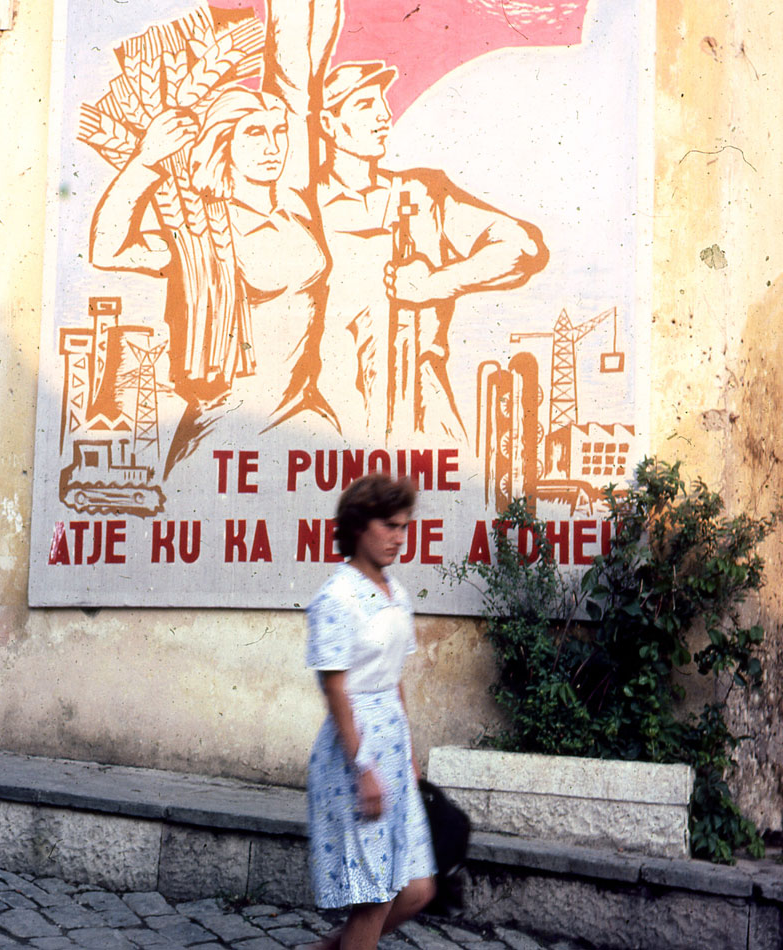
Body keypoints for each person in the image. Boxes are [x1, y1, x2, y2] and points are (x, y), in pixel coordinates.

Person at [88, 0, 341, 473]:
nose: (272, 146)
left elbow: (296, 80)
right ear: (223, 142)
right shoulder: (201, 231)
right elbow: (107, 250)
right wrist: (145, 162)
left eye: (278, 132)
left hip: (306, 418)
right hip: (226, 432)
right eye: (255, 134)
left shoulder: (294, 202)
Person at [315, 62, 549, 443]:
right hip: (331, 417)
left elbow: (524, 248)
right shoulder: (302, 205)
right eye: (364, 105)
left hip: (424, 412)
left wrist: (436, 284)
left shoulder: (422, 193)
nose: (383, 115)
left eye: (382, 101)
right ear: (329, 123)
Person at [305, 474, 437, 949]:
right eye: (389, 526)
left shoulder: (395, 593)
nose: (399, 538)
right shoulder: (336, 597)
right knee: (373, 896)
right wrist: (364, 768)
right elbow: (335, 688)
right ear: (359, 527)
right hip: (354, 753)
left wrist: (409, 754)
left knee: (417, 889)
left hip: (393, 749)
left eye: (404, 527)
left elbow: (394, 677)